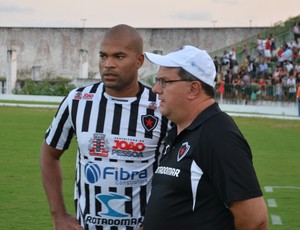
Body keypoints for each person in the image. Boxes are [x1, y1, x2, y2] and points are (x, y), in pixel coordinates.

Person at [40, 24, 169, 230]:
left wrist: (160, 220)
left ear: (139, 61)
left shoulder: (161, 106)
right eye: (103, 56)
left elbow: (180, 173)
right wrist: (59, 215)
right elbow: (49, 153)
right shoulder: (78, 100)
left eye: (119, 57)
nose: (108, 64)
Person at [142, 45, 268, 230]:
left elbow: (255, 220)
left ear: (193, 89)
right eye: (156, 80)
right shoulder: (178, 132)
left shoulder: (217, 134)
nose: (155, 89)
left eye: (164, 82)